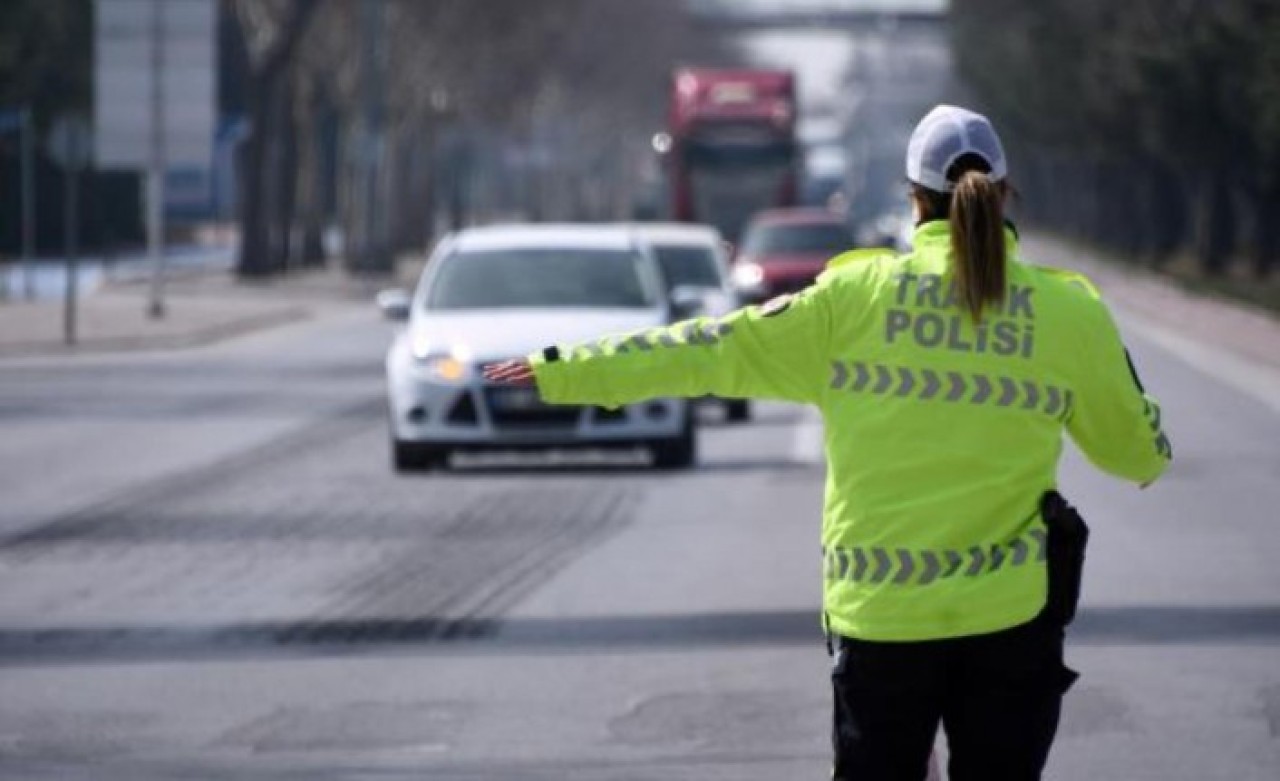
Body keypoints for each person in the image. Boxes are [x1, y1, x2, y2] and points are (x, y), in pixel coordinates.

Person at [485, 104, 1171, 780]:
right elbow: (1134, 454)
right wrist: (1152, 435)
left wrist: (558, 369)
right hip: (1012, 621)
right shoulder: (1067, 311)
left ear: (914, 200)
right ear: (1005, 191)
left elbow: (704, 349)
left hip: (882, 625)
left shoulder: (852, 301)